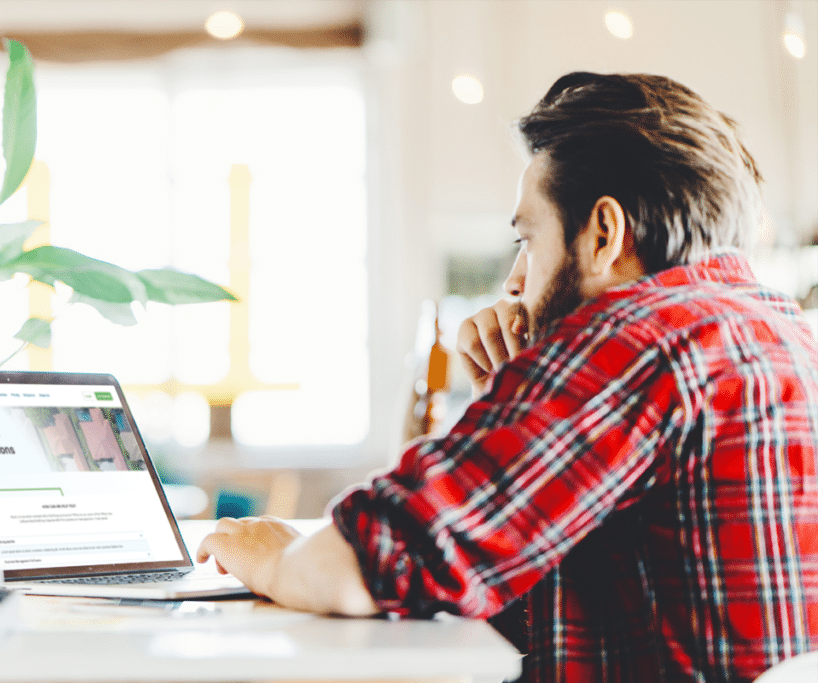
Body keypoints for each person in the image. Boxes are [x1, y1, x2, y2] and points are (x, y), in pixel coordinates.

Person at [196, 72, 818, 682]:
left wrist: (269, 554)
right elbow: (503, 591)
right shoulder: (778, 330)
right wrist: (514, 400)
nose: (514, 281)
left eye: (528, 238)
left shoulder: (640, 337)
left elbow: (371, 564)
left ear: (604, 234)